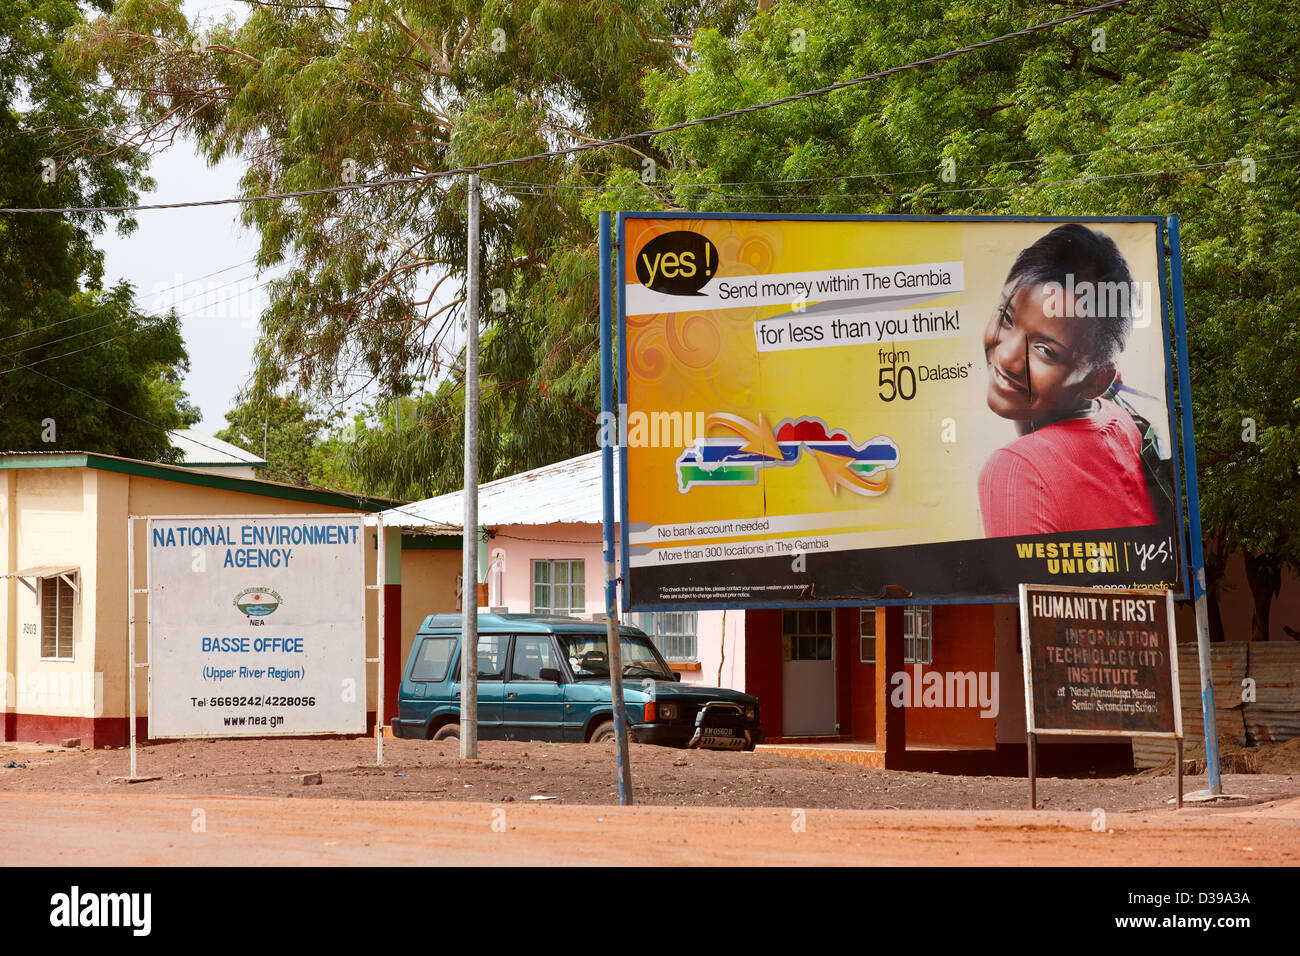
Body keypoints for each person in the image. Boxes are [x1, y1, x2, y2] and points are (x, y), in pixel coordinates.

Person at [978, 223, 1156, 537]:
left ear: (1097, 380)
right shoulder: (1121, 422)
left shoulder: (1018, 468)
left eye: (1045, 350)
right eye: (1006, 317)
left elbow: (1027, 587)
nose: (1006, 357)